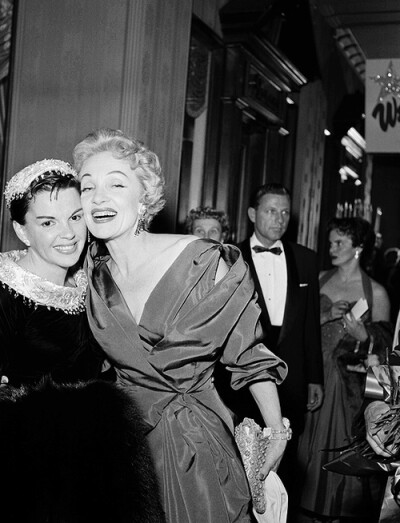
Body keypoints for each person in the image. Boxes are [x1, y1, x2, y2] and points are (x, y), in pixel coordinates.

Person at [73, 127, 291, 523]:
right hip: (123, 447)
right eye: (87, 188)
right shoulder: (90, 275)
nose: (98, 197)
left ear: (144, 198)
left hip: (198, 445)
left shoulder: (202, 261)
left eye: (115, 184)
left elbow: (250, 355)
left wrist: (276, 431)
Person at [0, 159, 164, 523]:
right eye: (47, 222)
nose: (68, 233)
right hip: (28, 469)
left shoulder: (93, 283)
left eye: (75, 217)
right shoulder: (5, 288)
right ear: (22, 231)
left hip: (99, 461)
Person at [297, 217, 393, 522]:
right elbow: (297, 326)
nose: (332, 248)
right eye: (330, 242)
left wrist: (365, 336)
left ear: (359, 248)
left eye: (340, 243)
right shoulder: (320, 278)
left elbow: (388, 351)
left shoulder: (376, 292)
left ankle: (335, 510)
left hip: (345, 385)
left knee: (337, 446)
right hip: (312, 372)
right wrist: (324, 315)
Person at [236, 183, 324, 515]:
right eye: (272, 210)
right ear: (253, 214)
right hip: (243, 375)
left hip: (293, 377)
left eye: (285, 212)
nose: (280, 218)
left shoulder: (305, 258)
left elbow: (310, 325)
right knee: (243, 456)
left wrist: (315, 377)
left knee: (285, 461)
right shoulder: (232, 256)